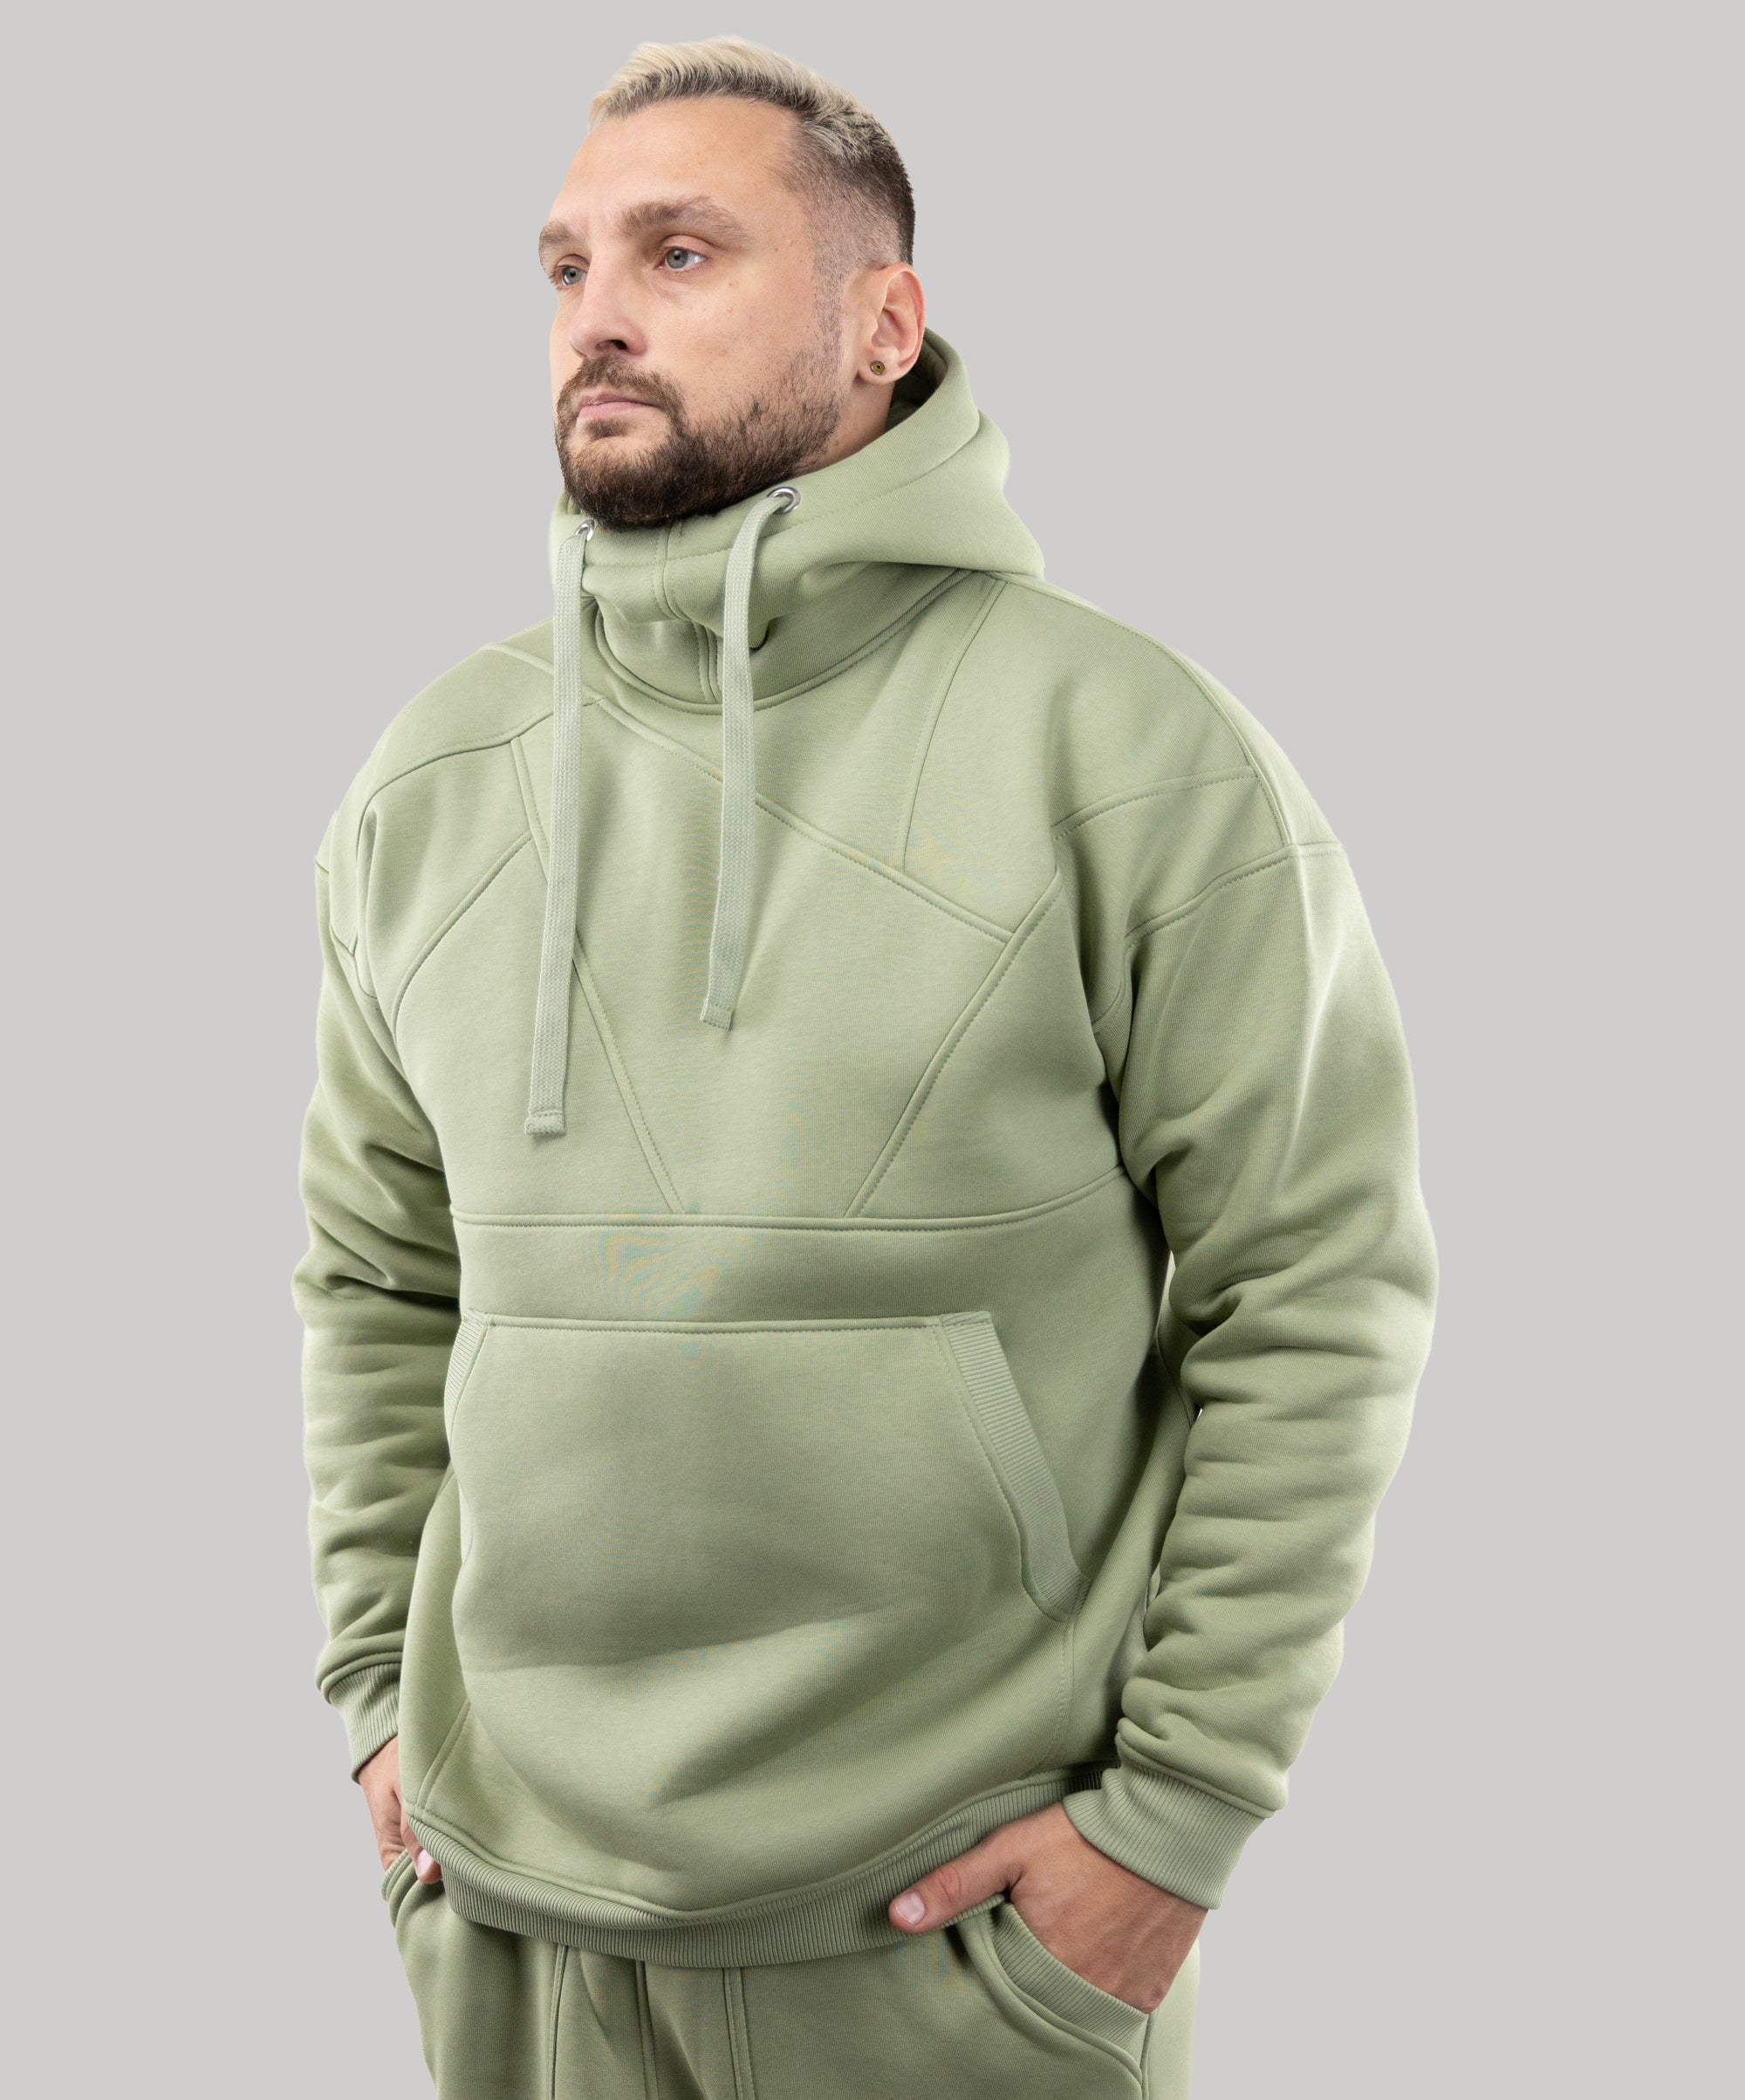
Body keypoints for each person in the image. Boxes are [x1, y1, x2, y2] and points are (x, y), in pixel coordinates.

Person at [294, 35, 1437, 2099]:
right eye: (566, 266)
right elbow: (376, 1278)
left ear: (883, 324)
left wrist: (1168, 1829)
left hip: (953, 1936)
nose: (599, 314)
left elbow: (1314, 1288)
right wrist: (381, 1698)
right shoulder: (436, 775)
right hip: (511, 1918)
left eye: (680, 252)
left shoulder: (1129, 750)